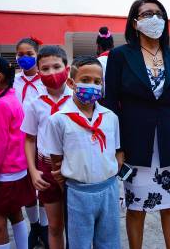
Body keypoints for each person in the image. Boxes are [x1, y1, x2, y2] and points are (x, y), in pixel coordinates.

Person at [105, 0, 170, 249]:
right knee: (136, 208)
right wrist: (116, 148)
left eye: (159, 13)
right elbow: (109, 105)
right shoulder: (119, 56)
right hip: (135, 144)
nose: (154, 18)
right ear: (135, 22)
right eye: (147, 14)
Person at [45, 57, 120, 248]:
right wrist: (67, 184)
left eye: (97, 82)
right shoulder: (58, 120)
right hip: (77, 192)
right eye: (85, 80)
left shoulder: (110, 118)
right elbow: (56, 160)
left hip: (109, 190)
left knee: (109, 242)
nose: (92, 86)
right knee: (80, 243)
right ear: (71, 83)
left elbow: (115, 151)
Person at [0, 57, 36, 249]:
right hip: (17, 169)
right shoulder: (10, 96)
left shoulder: (1, 104)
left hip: (5, 174)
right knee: (15, 213)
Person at [21, 46, 73, 249]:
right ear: (38, 72)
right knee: (54, 226)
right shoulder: (35, 104)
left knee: (76, 225)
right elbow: (29, 139)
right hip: (46, 168)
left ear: (66, 69)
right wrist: (33, 171)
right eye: (45, 68)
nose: (51, 73)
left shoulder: (78, 100)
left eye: (56, 66)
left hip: (73, 169)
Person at [14, 37, 48, 248]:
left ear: (37, 55)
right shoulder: (14, 81)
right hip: (19, 141)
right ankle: (34, 225)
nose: (24, 58)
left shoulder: (45, 80)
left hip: (42, 140)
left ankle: (44, 226)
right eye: (20, 54)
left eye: (29, 54)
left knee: (43, 185)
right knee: (27, 188)